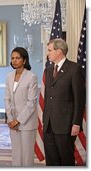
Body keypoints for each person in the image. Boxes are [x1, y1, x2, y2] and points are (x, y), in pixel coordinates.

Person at [43, 38, 86, 166]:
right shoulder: (49, 70)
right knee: (51, 161)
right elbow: (47, 97)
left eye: (50, 50)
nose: (48, 53)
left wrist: (76, 123)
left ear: (59, 51)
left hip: (66, 125)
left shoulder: (74, 69)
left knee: (66, 161)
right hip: (48, 125)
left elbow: (79, 98)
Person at [4, 47, 38, 166]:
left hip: (26, 122)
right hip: (12, 121)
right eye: (12, 58)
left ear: (24, 60)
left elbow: (31, 102)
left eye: (17, 58)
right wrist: (10, 119)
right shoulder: (9, 76)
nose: (14, 60)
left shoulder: (31, 77)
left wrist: (18, 120)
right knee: (16, 154)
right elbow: (7, 99)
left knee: (27, 156)